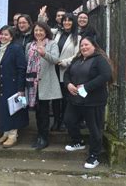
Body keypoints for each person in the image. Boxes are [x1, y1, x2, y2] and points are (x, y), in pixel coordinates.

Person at [63, 36, 112, 169]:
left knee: (94, 129)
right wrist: (68, 85)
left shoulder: (99, 60)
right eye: (82, 45)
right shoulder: (77, 59)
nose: (83, 47)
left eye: (86, 45)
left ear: (94, 46)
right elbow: (66, 74)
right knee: (69, 120)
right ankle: (77, 141)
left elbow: (105, 76)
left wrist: (86, 87)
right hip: (75, 99)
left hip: (93, 101)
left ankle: (94, 156)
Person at [25, 21, 62, 150]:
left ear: (46, 31)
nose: (38, 33)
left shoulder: (52, 44)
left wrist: (43, 53)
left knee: (44, 111)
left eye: (41, 30)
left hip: (45, 81)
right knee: (37, 111)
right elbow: (27, 62)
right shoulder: (30, 45)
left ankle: (44, 138)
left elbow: (56, 60)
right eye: (36, 31)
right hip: (32, 82)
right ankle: (39, 135)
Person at [0, 25, 28, 148]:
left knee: (13, 109)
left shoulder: (16, 49)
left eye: (6, 34)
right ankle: (5, 132)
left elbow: (22, 69)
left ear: (11, 37)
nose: (3, 36)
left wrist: (21, 88)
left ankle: (13, 135)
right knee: (4, 109)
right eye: (1, 34)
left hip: (12, 85)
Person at [51, 13, 79, 131]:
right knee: (55, 98)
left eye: (69, 21)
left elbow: (77, 55)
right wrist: (41, 17)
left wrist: (64, 62)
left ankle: (64, 121)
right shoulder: (57, 34)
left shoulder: (77, 37)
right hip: (54, 70)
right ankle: (56, 120)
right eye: (64, 20)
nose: (66, 23)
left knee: (65, 98)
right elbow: (44, 29)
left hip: (66, 71)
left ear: (73, 23)